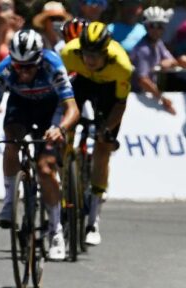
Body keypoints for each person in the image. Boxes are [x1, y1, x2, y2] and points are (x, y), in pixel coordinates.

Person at [0, 29, 79, 261]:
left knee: (46, 168)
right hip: (21, 105)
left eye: (28, 67)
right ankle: (9, 201)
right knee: (11, 139)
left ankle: (56, 230)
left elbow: (72, 109)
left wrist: (60, 129)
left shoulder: (53, 65)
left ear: (39, 59)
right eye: (19, 67)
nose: (23, 72)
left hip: (51, 108)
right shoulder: (4, 69)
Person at [61, 22, 133, 245]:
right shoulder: (69, 54)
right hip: (80, 83)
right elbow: (60, 92)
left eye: (95, 55)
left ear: (106, 53)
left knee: (103, 146)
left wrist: (106, 129)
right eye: (86, 54)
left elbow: (120, 105)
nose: (90, 60)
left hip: (108, 91)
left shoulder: (121, 65)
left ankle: (93, 219)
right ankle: (65, 187)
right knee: (63, 137)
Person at [130, 7, 178, 114]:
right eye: (153, 25)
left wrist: (168, 62)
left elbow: (173, 60)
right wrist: (162, 99)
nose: (156, 30)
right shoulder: (142, 50)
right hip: (136, 96)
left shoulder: (158, 43)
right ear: (146, 26)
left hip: (149, 94)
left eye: (160, 26)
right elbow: (143, 81)